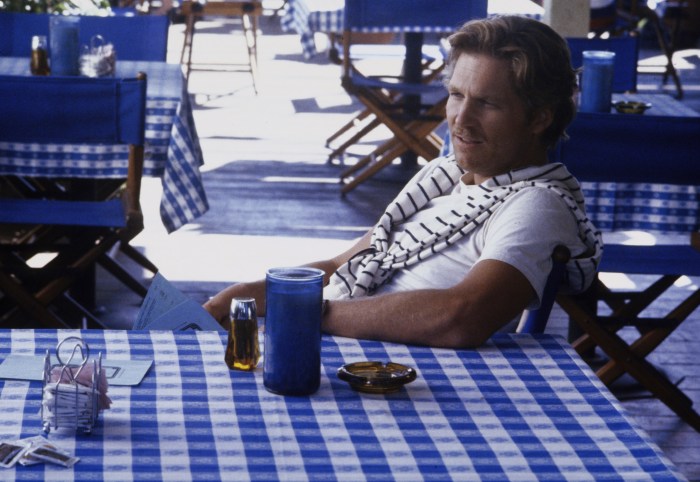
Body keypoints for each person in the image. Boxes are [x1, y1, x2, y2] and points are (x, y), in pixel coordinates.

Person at [204, 15, 602, 349]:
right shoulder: (443, 176)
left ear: (539, 118)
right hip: (323, 340)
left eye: (487, 103)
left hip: (390, 377)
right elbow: (341, 264)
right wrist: (238, 297)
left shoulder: (537, 204)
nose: (461, 119)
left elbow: (464, 316)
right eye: (457, 95)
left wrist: (306, 313)